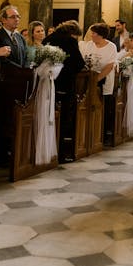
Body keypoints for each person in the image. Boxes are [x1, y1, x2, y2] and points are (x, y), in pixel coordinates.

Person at [43, 21, 86, 161]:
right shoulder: (70, 41)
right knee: (64, 118)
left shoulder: (47, 39)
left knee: (49, 116)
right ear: (72, 32)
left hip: (48, 82)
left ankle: (46, 150)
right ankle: (61, 153)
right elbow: (79, 63)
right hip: (65, 83)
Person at [80, 23, 118, 146]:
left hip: (104, 79)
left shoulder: (111, 46)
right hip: (88, 79)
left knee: (105, 107)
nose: (92, 35)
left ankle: (104, 135)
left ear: (101, 35)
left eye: (94, 33)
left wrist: (96, 79)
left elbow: (109, 65)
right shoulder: (88, 45)